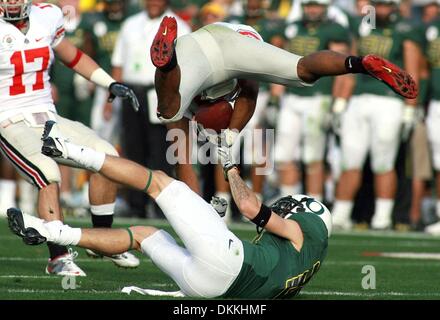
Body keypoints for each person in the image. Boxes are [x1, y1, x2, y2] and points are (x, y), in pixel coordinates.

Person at [7, 120, 332, 299]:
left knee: (159, 181)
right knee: (143, 235)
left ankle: (67, 149)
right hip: (207, 290)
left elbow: (248, 206)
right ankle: (52, 231)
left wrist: (229, 163)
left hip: (228, 262)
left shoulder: (303, 233)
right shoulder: (302, 268)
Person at [149, 16, 418, 194]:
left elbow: (183, 163)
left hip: (193, 50)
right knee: (301, 68)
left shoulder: (185, 99)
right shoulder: (210, 96)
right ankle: (359, 64)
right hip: (231, 39)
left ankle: (168, 62)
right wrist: (231, 135)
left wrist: (194, 212)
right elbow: (250, 90)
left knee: (168, 111)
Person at [0, 0, 140, 276]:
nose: (11, 2)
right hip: (10, 119)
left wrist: (108, 82)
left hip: (48, 116)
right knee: (49, 174)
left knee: (107, 155)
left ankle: (101, 239)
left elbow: (71, 55)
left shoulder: (48, 15)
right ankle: (58, 257)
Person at [330, 0, 423, 230]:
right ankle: (341, 215)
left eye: (385, 4)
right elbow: (349, 66)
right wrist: (341, 101)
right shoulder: (362, 26)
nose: (381, 9)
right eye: (377, 4)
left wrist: (410, 107)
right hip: (358, 99)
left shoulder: (405, 29)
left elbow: (412, 71)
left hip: (388, 101)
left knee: (383, 161)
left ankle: (382, 217)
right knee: (350, 159)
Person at [109, 0, 191, 218]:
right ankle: (136, 204)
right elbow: (118, 62)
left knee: (161, 151)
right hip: (131, 90)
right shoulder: (130, 24)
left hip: (160, 93)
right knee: (133, 149)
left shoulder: (181, 26)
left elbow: (187, 66)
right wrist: (110, 97)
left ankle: (160, 204)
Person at [274, 0, 351, 202]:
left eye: (316, 5)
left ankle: (314, 204)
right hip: (291, 98)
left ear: (325, 7)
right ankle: (286, 203)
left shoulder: (334, 29)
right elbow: (279, 61)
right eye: (309, 4)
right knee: (283, 155)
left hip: (318, 98)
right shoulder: (293, 27)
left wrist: (339, 101)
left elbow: (341, 68)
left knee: (313, 157)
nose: (312, 9)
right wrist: (276, 95)